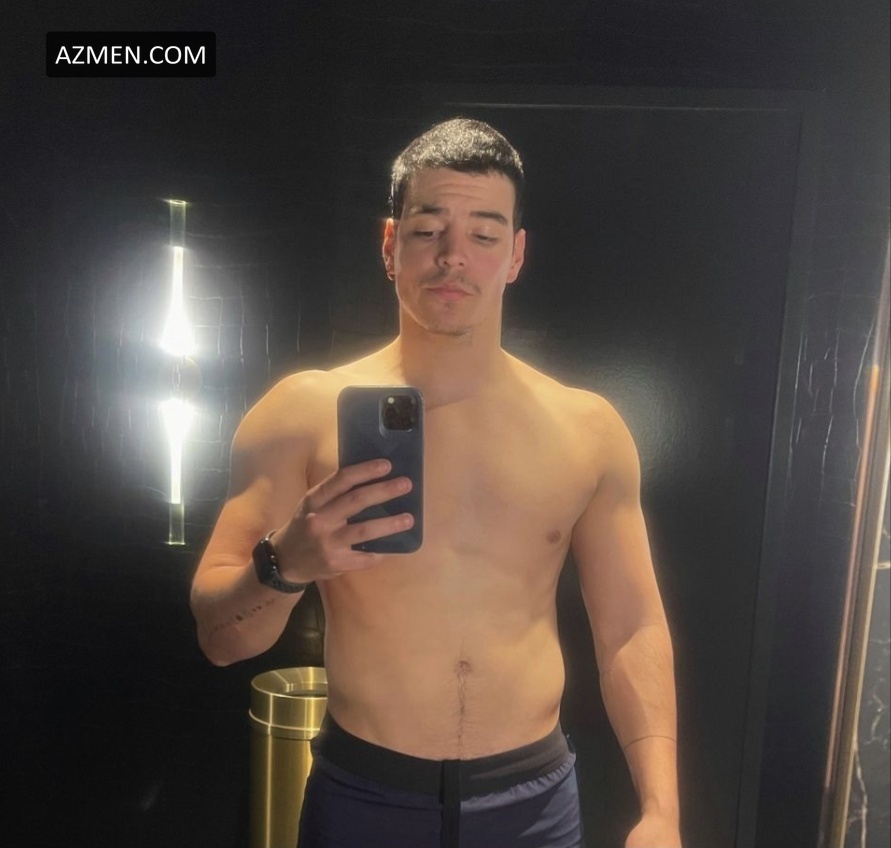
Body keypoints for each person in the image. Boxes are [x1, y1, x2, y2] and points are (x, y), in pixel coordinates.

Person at [190, 118, 682, 848]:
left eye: (483, 234)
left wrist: (661, 810)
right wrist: (284, 562)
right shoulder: (299, 415)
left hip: (532, 804)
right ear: (390, 245)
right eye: (427, 230)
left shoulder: (587, 430)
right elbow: (221, 640)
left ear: (515, 255)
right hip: (364, 797)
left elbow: (631, 627)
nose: (453, 256)